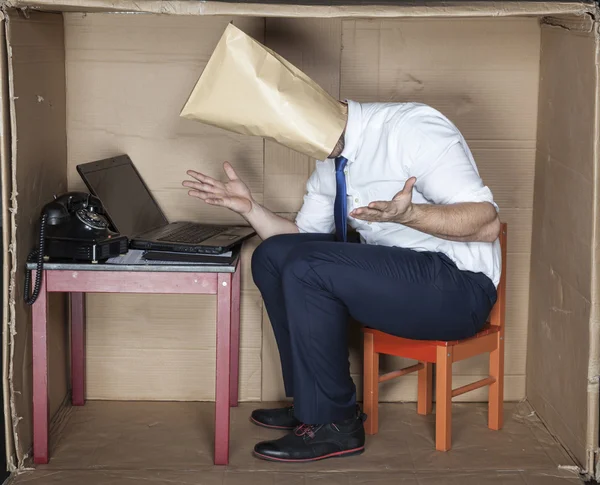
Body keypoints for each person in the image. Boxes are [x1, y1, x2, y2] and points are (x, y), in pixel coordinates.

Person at [182, 100, 501, 463]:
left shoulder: (414, 128)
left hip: (458, 288)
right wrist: (249, 209)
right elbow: (302, 237)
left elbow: (486, 224)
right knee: (274, 257)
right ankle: (310, 403)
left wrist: (411, 214)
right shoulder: (330, 159)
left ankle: (334, 423)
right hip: (400, 278)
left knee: (307, 265)